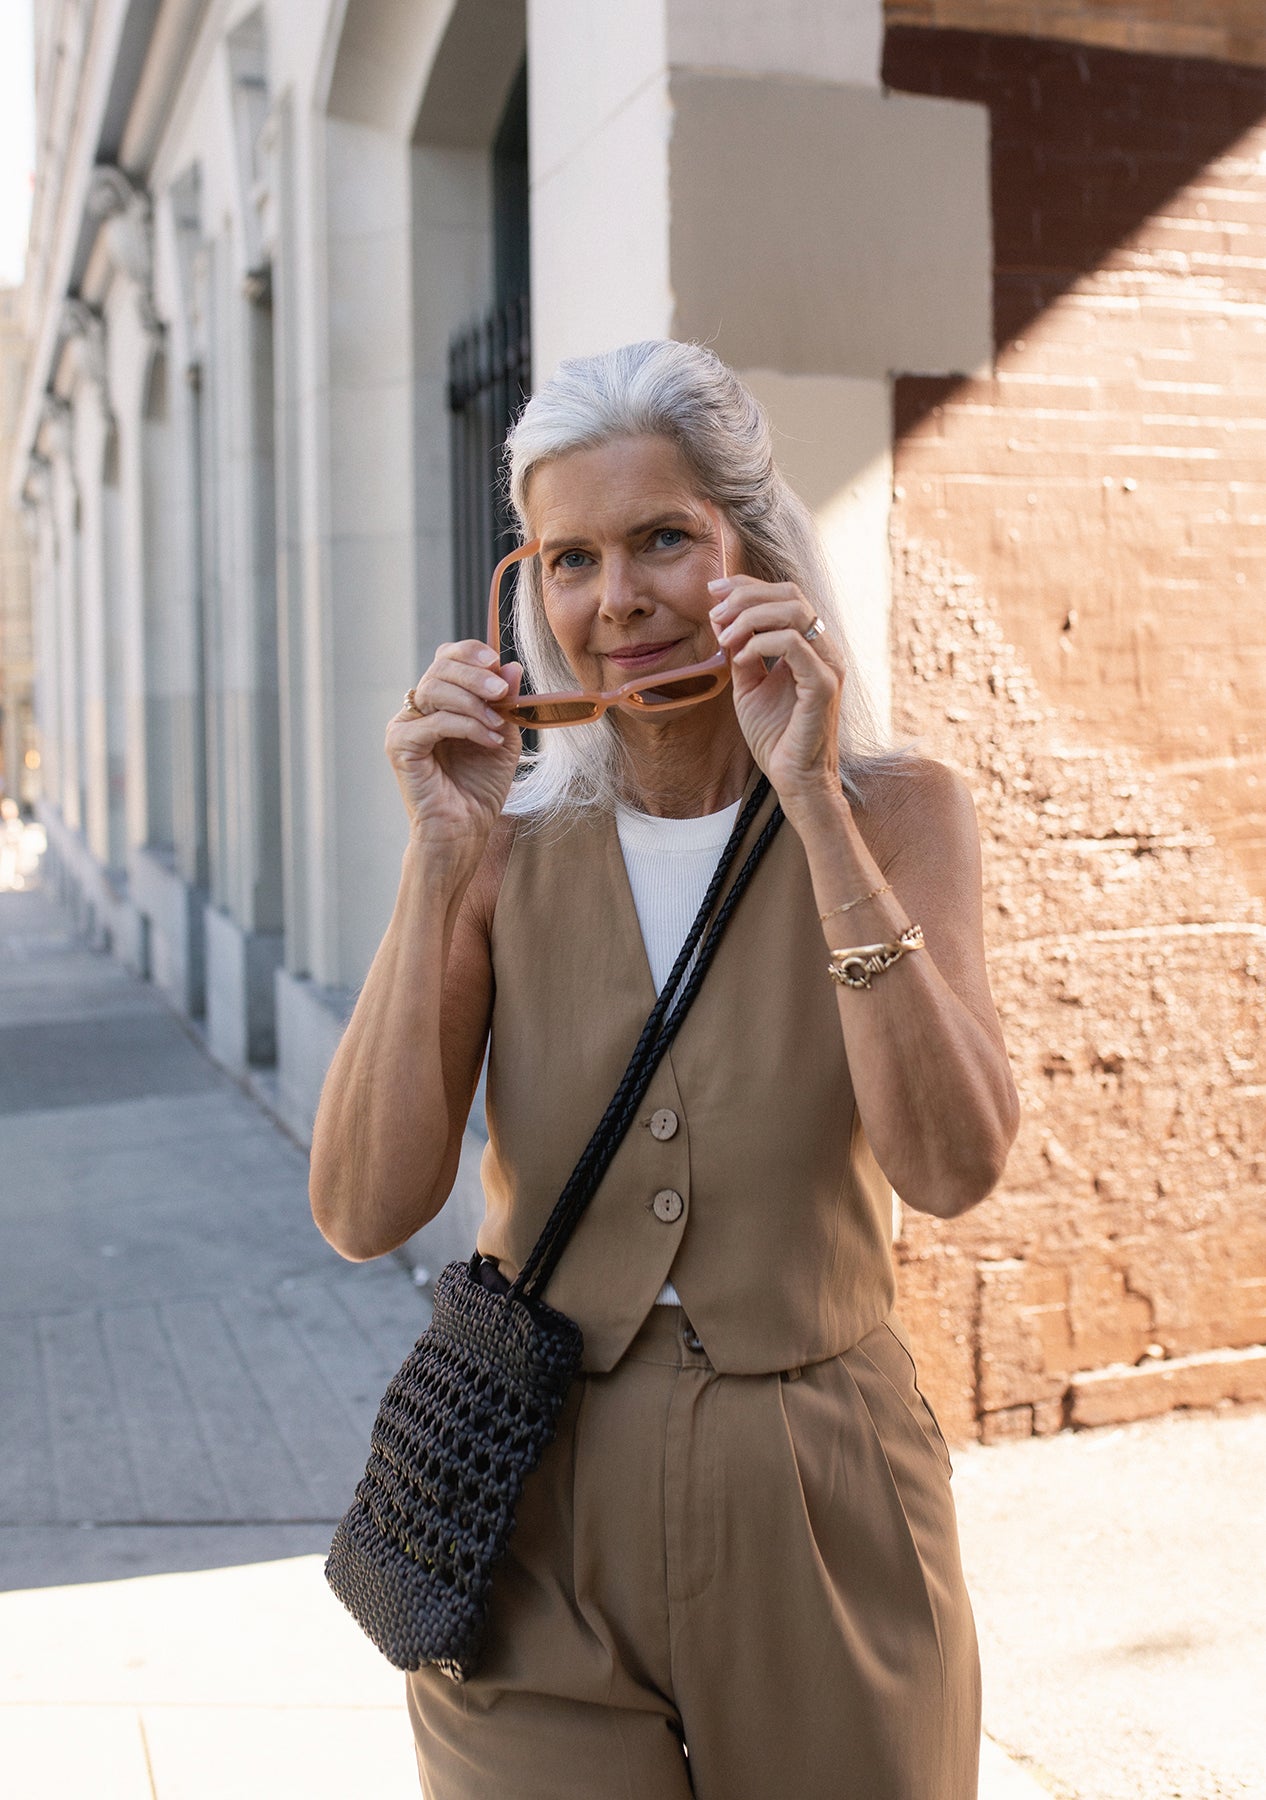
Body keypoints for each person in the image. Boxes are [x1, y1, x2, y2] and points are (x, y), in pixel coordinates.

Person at [309, 340, 1019, 1800]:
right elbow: (362, 1210)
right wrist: (437, 868)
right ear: (530, 589)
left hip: (821, 1492)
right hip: (528, 1510)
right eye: (570, 557)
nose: (614, 598)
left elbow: (951, 1169)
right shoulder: (502, 847)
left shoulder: (893, 814)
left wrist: (812, 804)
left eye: (660, 540)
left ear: (753, 555)